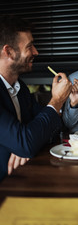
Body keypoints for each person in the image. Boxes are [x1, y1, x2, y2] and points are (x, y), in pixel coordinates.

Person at [0, 15, 72, 181]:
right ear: (9, 51)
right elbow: (27, 142)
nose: (36, 52)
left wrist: (26, 144)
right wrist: (57, 100)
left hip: (24, 179)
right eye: (30, 46)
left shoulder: (21, 88)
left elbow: (50, 132)